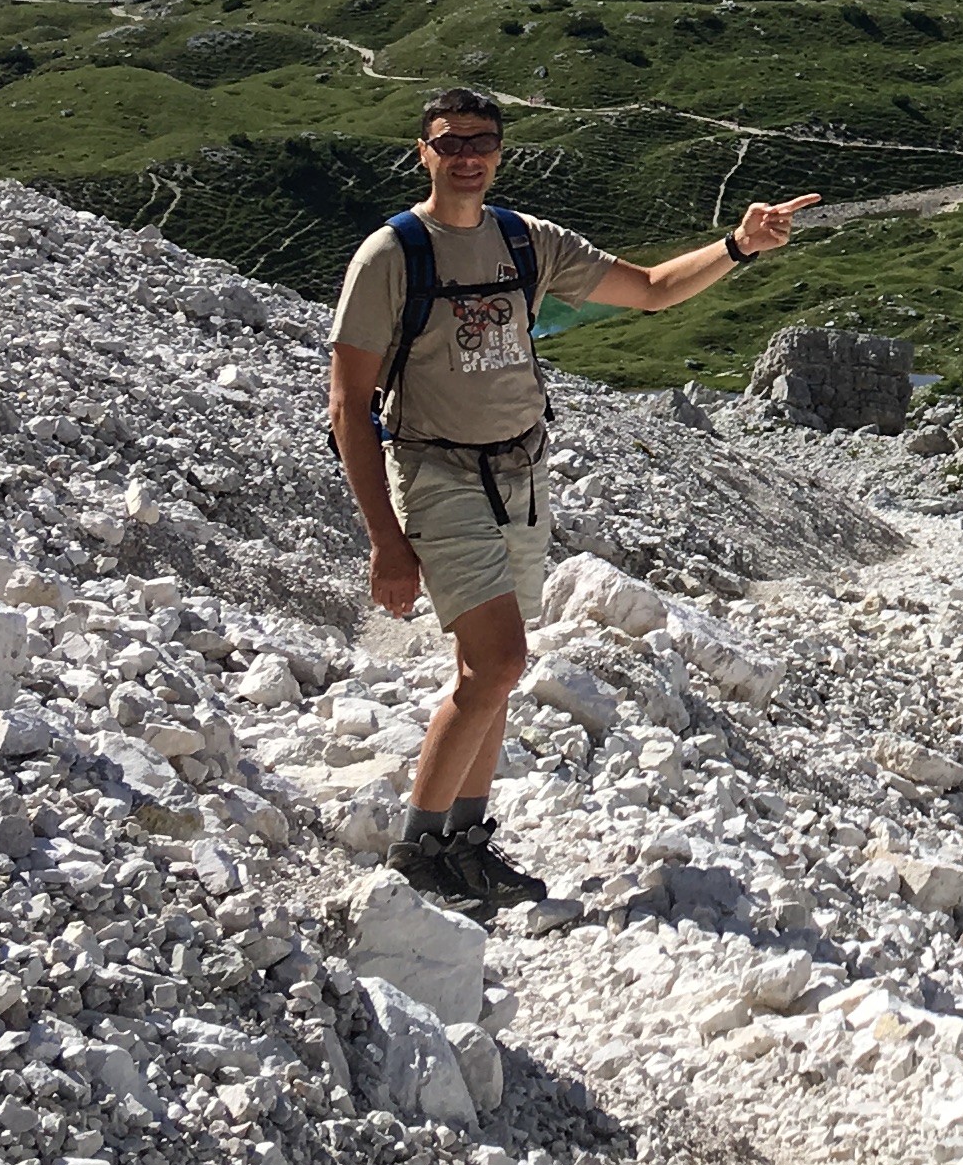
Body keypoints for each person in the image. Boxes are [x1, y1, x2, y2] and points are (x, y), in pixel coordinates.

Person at [325, 86, 816, 911]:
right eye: (451, 142)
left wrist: (738, 246)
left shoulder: (526, 241)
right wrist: (385, 537)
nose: (468, 155)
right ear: (424, 152)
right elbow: (348, 405)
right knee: (499, 662)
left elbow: (654, 288)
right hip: (437, 474)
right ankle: (419, 853)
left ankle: (465, 844)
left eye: (483, 140)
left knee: (493, 674)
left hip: (521, 475)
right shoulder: (391, 255)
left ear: (501, 151)